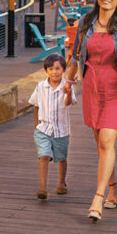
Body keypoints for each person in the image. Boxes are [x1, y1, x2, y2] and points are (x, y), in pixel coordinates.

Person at [65, 0, 117, 222]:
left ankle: (98, 197)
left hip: (116, 87)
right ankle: (114, 187)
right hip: (91, 86)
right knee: (101, 143)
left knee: (107, 140)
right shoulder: (86, 21)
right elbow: (76, 55)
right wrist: (68, 82)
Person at [29, 53, 76, 200]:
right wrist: (36, 122)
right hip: (43, 129)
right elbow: (36, 104)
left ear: (63, 70)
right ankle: (43, 188)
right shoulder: (40, 86)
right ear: (46, 71)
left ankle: (62, 183)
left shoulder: (66, 86)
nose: (54, 72)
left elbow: (68, 103)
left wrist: (68, 93)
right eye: (51, 69)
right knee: (44, 156)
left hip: (61, 130)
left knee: (62, 157)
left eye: (57, 68)